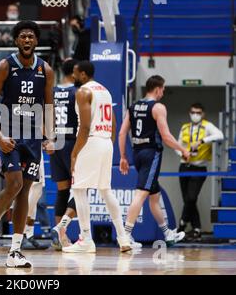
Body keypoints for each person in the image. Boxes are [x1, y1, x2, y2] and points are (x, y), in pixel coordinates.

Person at [0, 20, 55, 268]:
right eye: (22, 36)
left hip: (33, 136)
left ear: (36, 40)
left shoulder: (46, 70)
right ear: (15, 40)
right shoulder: (4, 66)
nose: (27, 40)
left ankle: (15, 251)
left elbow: (48, 106)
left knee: (25, 192)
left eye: (31, 36)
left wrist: (50, 136)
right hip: (9, 133)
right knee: (14, 184)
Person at [61, 61, 131, 253]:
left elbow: (83, 127)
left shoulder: (83, 92)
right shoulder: (105, 91)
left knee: (78, 189)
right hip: (106, 141)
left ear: (83, 75)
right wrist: (108, 142)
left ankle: (86, 240)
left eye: (75, 74)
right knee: (106, 190)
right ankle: (123, 238)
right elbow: (114, 122)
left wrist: (74, 153)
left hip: (89, 141)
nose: (73, 77)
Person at [119, 75, 189, 248]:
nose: (163, 93)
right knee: (141, 194)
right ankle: (125, 235)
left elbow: (122, 133)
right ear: (157, 89)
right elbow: (166, 136)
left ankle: (167, 233)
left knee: (154, 197)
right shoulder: (158, 107)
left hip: (137, 153)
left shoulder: (133, 107)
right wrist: (182, 149)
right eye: (163, 89)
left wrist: (122, 157)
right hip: (152, 154)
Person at [177, 103, 223, 241]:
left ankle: (182, 224)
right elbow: (178, 144)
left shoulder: (207, 126)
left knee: (191, 198)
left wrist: (202, 141)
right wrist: (182, 153)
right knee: (189, 200)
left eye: (198, 112)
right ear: (189, 113)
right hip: (184, 166)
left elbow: (220, 135)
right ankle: (196, 229)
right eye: (193, 112)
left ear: (202, 114)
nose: (195, 115)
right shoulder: (185, 127)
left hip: (199, 167)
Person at [49, 58, 79, 251]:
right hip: (72, 142)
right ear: (75, 72)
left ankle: (59, 238)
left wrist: (48, 139)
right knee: (80, 189)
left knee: (62, 190)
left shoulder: (52, 91)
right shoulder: (77, 92)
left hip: (55, 142)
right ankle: (61, 229)